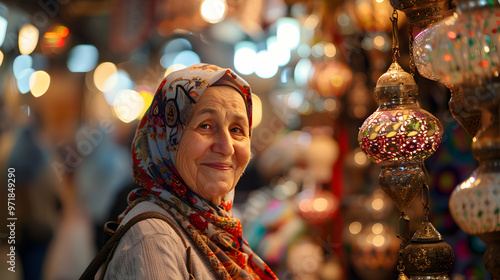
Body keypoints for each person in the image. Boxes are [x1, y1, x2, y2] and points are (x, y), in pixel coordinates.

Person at [101, 63, 277, 279]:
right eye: (205, 126)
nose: (227, 146)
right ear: (165, 139)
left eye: (237, 129)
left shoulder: (216, 230)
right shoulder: (153, 240)